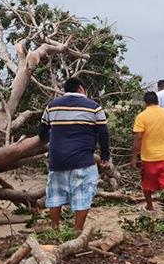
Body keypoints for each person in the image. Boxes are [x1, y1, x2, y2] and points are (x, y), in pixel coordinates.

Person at [38, 77, 110, 232]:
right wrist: (105, 157)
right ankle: (77, 231)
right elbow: (104, 134)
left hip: (57, 161)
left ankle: (55, 229)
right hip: (82, 161)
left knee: (55, 196)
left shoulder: (52, 106)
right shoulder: (94, 107)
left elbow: (42, 132)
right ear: (81, 88)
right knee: (82, 196)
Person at [131, 91, 164, 217]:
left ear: (145, 103)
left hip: (149, 158)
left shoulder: (141, 116)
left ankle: (150, 206)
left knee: (146, 183)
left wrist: (134, 157)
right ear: (157, 101)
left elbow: (138, 138)